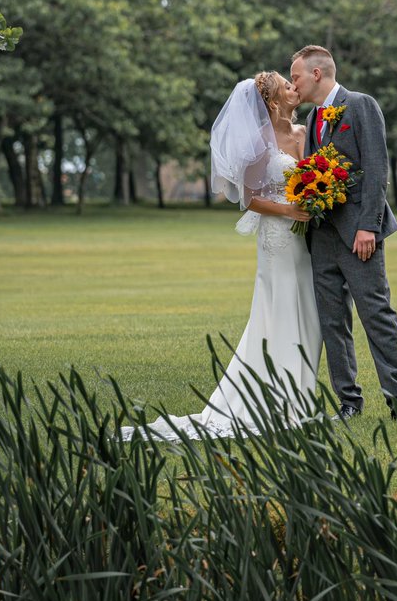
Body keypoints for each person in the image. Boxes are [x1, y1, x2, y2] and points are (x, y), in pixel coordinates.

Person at [121, 72, 321, 440]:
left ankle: (301, 396)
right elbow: (249, 199)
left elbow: (314, 177)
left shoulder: (305, 132)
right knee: (279, 311)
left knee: (307, 310)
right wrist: (288, 211)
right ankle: (278, 400)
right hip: (278, 238)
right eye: (287, 85)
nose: (295, 87)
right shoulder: (259, 143)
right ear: (273, 102)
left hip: (307, 239)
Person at [289, 45, 397, 421]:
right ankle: (348, 401)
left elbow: (377, 168)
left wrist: (368, 227)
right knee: (332, 320)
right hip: (322, 234)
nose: (293, 84)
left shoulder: (361, 105)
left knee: (376, 312)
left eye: (296, 76)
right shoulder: (312, 117)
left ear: (316, 74)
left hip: (359, 233)